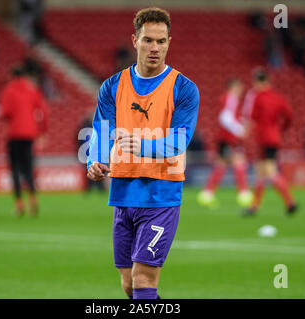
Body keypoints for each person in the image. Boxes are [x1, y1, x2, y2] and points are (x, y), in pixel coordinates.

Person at [86, 8, 199, 299]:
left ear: (169, 42)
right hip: (123, 192)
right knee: (128, 283)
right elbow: (101, 131)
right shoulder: (112, 86)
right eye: (148, 40)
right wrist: (95, 161)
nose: (154, 48)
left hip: (161, 195)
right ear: (134, 40)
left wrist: (143, 145)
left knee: (143, 279)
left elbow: (179, 141)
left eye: (161, 41)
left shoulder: (184, 89)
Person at [244, 69, 297, 216]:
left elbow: (251, 118)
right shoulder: (277, 97)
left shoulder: (258, 97)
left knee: (270, 171)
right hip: (274, 137)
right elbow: (289, 115)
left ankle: (290, 202)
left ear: (258, 82)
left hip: (263, 138)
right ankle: (254, 206)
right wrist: (282, 129)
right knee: (260, 172)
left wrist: (246, 132)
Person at [0, 65, 48, 217]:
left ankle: (19, 203)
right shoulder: (32, 89)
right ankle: (33, 198)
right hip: (30, 134)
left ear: (12, 76)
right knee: (28, 168)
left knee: (14, 169)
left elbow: (5, 113)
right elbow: (44, 111)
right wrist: (42, 132)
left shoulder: (8, 90)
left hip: (14, 134)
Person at [197, 78, 253, 209]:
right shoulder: (230, 98)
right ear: (233, 86)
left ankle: (207, 193)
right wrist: (239, 130)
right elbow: (225, 118)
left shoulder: (229, 98)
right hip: (229, 138)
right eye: (239, 87)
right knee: (239, 162)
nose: (241, 90)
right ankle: (244, 194)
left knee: (221, 164)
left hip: (226, 137)